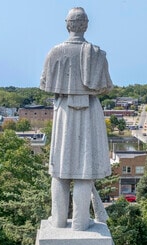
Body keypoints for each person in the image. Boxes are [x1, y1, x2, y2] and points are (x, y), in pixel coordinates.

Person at [40, 7, 113, 231]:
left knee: (61, 169)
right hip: (89, 110)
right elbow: (106, 86)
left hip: (64, 111)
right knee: (84, 168)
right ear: (86, 25)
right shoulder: (98, 54)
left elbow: (44, 84)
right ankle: (80, 223)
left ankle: (59, 220)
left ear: (67, 25)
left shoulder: (55, 52)